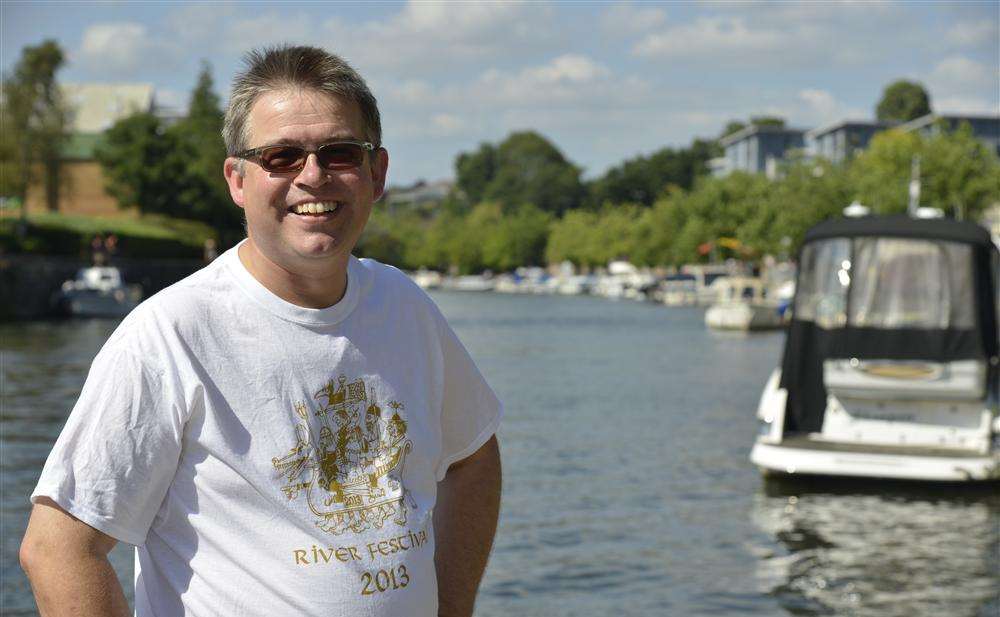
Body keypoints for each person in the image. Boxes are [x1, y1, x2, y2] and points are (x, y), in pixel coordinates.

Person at [20, 45, 502, 617]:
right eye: (281, 156)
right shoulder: (170, 334)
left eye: (341, 153)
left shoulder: (405, 305)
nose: (313, 176)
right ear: (238, 181)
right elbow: (58, 550)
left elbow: (473, 458)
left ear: (378, 174)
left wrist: (453, 608)